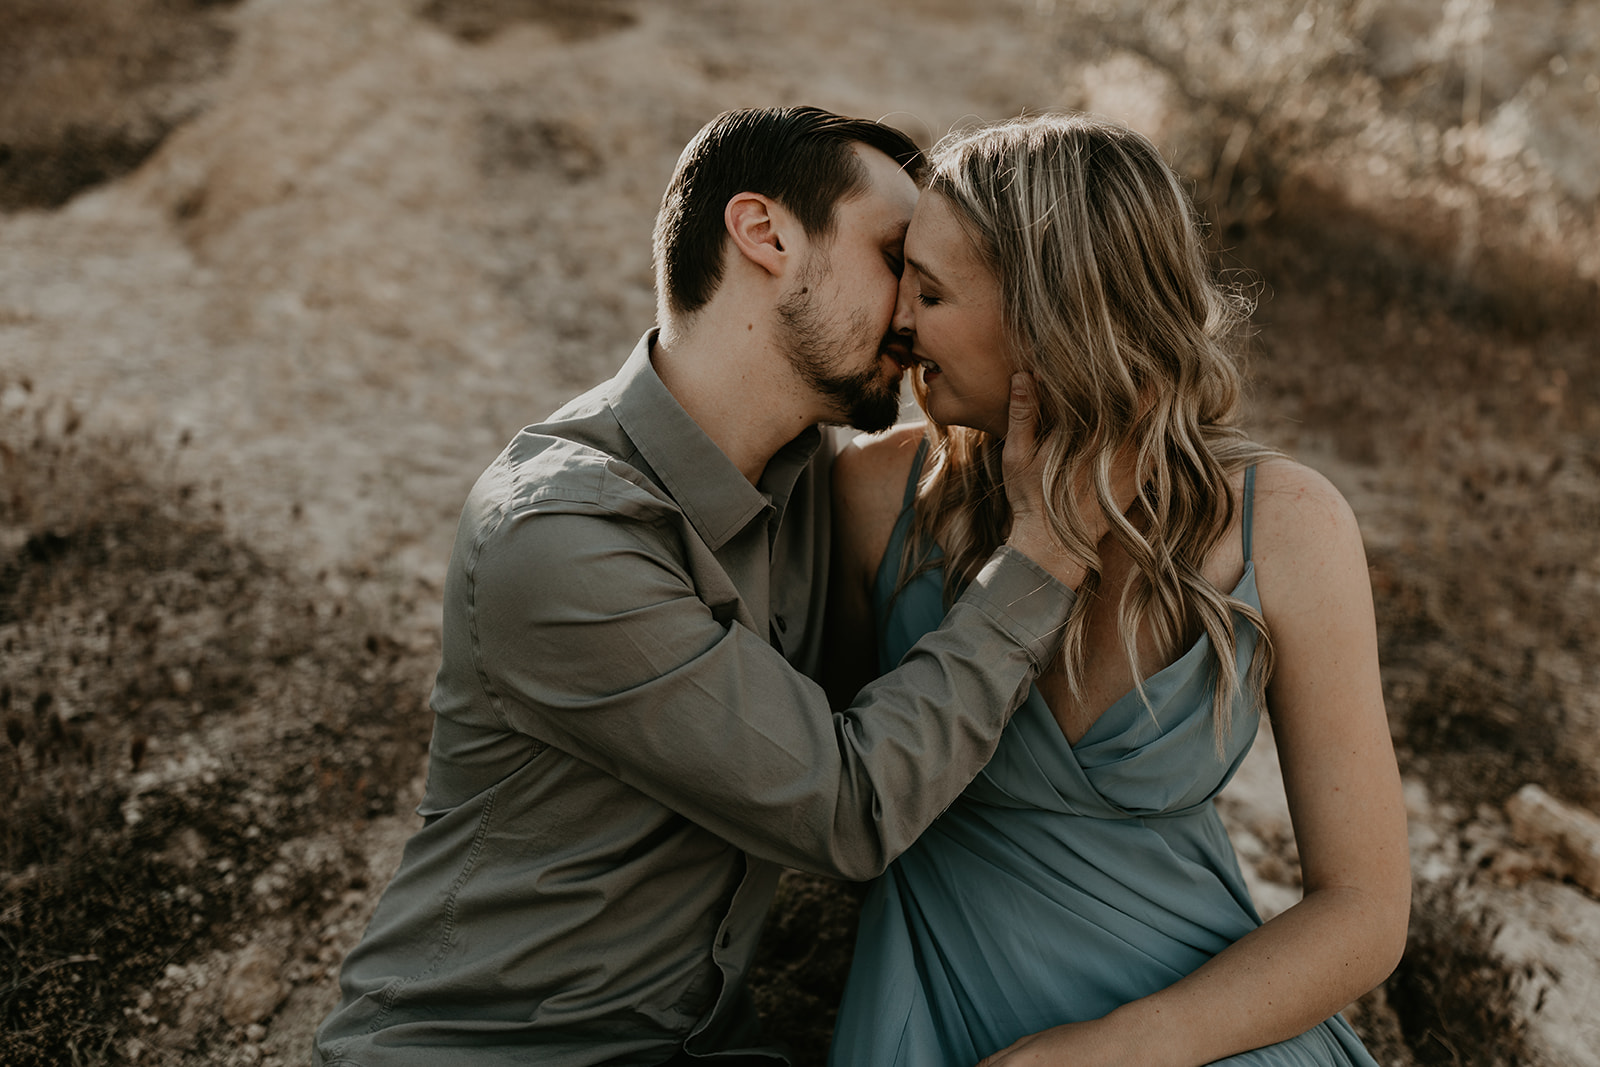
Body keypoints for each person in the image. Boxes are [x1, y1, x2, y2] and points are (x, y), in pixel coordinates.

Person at [313, 106, 1121, 1067]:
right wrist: (1038, 565)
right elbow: (847, 806)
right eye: (894, 255)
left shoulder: (820, 486)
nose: (913, 311)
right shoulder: (561, 533)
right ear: (764, 233)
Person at [824, 113, 1411, 1066]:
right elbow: (827, 787)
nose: (897, 319)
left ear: (1050, 315)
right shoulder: (875, 497)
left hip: (1208, 1030)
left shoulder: (1286, 526)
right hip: (934, 1009)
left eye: (929, 292)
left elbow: (1367, 909)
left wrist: (1126, 1048)